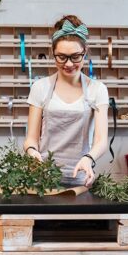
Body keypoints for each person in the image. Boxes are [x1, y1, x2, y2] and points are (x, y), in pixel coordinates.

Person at [23, 15, 109, 187]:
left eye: (76, 56)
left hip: (81, 178)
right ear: (52, 53)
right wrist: (31, 151)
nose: (69, 64)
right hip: (42, 178)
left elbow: (101, 140)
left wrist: (88, 158)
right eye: (61, 57)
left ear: (85, 52)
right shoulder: (40, 87)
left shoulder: (97, 89)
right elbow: (31, 138)